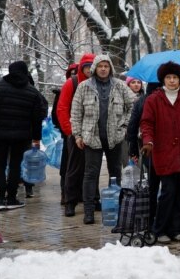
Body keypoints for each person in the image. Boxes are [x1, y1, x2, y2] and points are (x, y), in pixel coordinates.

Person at [70, 54, 134, 224]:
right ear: (94, 69)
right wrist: (78, 134)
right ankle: (89, 211)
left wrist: (125, 126)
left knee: (116, 173)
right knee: (91, 174)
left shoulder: (120, 86)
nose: (103, 69)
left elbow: (133, 106)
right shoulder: (84, 87)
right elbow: (76, 113)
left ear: (110, 68)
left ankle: (117, 208)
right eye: (100, 66)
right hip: (92, 137)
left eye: (106, 66)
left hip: (115, 137)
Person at [140, 62, 180, 243]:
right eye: (168, 78)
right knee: (168, 192)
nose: (172, 81)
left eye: (175, 78)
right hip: (163, 153)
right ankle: (159, 229)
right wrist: (148, 141)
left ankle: (176, 229)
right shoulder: (154, 99)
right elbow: (147, 123)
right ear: (163, 80)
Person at [0, 61, 44, 210]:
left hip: (0, 134)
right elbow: (36, 118)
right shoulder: (32, 92)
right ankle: (11, 198)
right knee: (15, 166)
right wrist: (37, 138)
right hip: (21, 136)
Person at [58, 54, 95, 217]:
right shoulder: (71, 83)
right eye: (86, 67)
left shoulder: (98, 83)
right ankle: (70, 201)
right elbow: (62, 108)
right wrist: (70, 131)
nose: (89, 70)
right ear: (82, 67)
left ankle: (93, 198)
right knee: (74, 167)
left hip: (95, 133)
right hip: (76, 133)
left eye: (91, 67)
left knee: (92, 167)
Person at [127, 81, 161, 224]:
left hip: (147, 147)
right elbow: (133, 126)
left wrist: (133, 150)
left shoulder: (142, 100)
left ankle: (151, 216)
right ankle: (158, 215)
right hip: (153, 146)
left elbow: (132, 127)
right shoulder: (147, 101)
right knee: (162, 183)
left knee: (152, 182)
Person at [51, 63, 78, 204]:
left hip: (81, 133)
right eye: (71, 73)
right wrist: (65, 129)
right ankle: (65, 193)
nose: (74, 75)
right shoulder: (64, 91)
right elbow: (57, 113)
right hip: (67, 133)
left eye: (76, 72)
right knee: (67, 165)